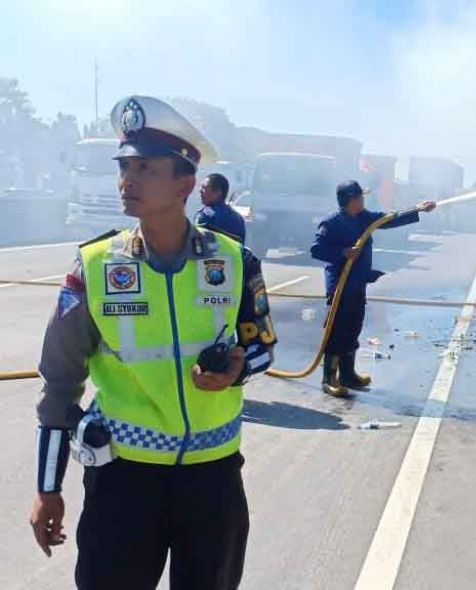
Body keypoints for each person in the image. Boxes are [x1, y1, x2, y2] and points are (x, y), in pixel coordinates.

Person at [29, 95, 277, 589]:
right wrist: (47, 488)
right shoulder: (94, 267)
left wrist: (237, 369)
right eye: (125, 166)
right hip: (123, 481)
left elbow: (264, 345)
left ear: (185, 183)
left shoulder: (235, 261)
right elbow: (59, 384)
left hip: (212, 480)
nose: (128, 179)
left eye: (146, 168)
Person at [310, 181, 435, 396]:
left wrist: (417, 209)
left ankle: (348, 375)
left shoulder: (364, 217)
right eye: (359, 197)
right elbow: (316, 249)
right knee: (337, 331)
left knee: (353, 329)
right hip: (340, 286)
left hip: (358, 283)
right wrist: (343, 252)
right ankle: (329, 378)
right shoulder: (332, 223)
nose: (363, 201)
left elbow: (388, 219)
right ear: (350, 200)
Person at [195, 172, 246, 243]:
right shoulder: (238, 219)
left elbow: (197, 243)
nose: (200, 190)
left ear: (218, 192)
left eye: (204, 187)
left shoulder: (205, 215)